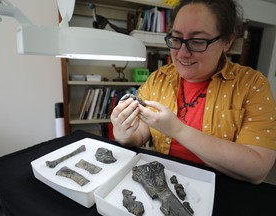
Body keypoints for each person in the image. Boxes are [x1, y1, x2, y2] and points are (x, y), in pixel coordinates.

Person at [110, 0, 276, 184]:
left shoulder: (251, 84)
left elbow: (257, 168)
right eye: (176, 39)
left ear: (227, 41)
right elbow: (140, 134)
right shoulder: (159, 78)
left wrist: (178, 130)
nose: (181, 54)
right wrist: (123, 132)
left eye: (197, 41)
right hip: (162, 185)